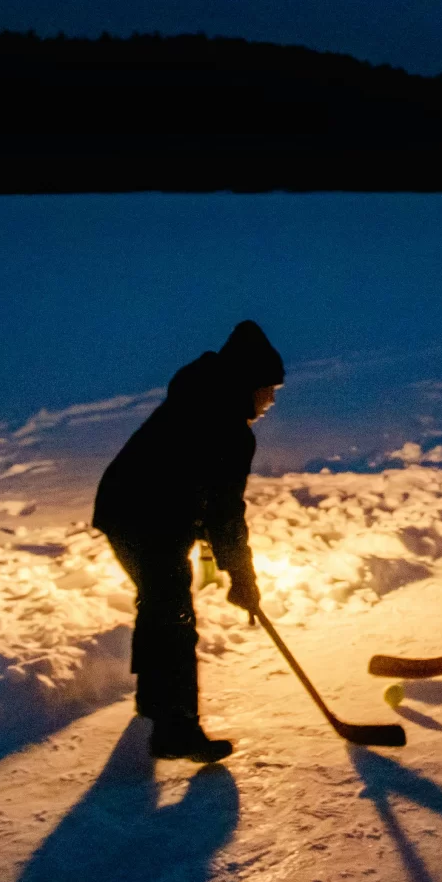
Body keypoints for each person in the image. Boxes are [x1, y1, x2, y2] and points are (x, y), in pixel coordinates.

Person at [93, 319, 284, 763]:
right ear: (250, 384)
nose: (271, 400)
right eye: (268, 389)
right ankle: (175, 729)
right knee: (172, 612)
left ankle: (156, 706)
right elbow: (225, 513)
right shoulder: (230, 429)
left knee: (163, 605)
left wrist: (229, 567)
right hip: (144, 517)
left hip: (126, 508)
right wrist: (243, 577)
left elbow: (195, 489)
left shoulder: (200, 396)